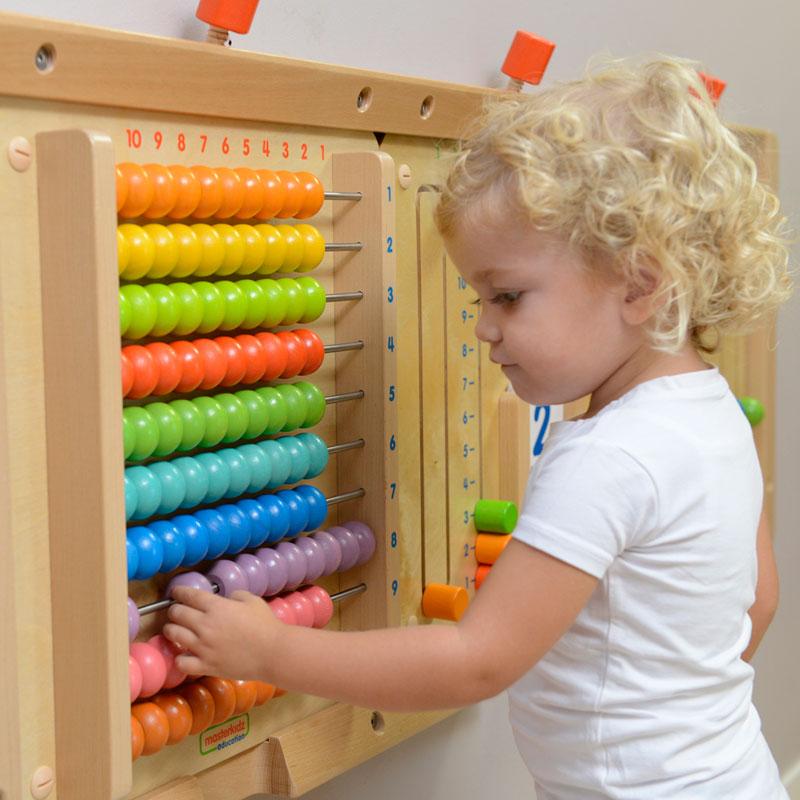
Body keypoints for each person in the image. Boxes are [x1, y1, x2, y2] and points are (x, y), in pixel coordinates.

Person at [164, 55, 793, 798]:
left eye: (508, 296)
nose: (484, 329)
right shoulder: (714, 410)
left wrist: (270, 651)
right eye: (478, 300)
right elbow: (759, 599)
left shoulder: (608, 458)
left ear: (639, 283)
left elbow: (476, 662)